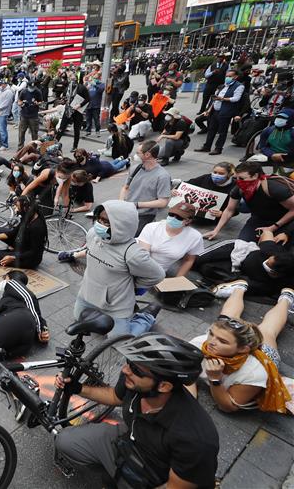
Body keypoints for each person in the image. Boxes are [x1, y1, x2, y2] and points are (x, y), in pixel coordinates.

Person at [54, 333, 219, 489]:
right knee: (66, 440)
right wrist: (77, 388)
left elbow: (173, 487)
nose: (126, 370)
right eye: (129, 362)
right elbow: (114, 396)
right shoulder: (137, 383)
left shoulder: (195, 439)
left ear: (164, 386)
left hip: (159, 473)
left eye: (136, 370)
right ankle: (116, 473)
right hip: (132, 440)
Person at [187, 284, 292, 413]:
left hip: (265, 355)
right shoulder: (200, 342)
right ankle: (239, 288)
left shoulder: (254, 373)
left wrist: (215, 379)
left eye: (222, 341)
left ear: (243, 349)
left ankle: (286, 298)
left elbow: (228, 407)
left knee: (268, 331)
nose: (211, 342)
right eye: (211, 334)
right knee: (225, 319)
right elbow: (184, 372)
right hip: (241, 344)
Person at [73, 201, 165, 336]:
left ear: (122, 225)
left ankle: (147, 316)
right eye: (99, 219)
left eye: (107, 222)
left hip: (116, 305)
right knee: (78, 320)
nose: (99, 225)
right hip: (87, 294)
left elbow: (158, 275)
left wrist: (132, 286)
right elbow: (91, 252)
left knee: (120, 341)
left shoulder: (133, 253)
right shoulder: (93, 234)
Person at [0, 271, 48, 376]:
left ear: (8, 277)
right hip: (22, 341)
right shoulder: (12, 296)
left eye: (3, 277)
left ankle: (3, 379)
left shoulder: (13, 283)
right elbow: (35, 312)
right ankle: (6, 381)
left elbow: (30, 298)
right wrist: (43, 327)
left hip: (21, 319)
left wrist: (40, 327)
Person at [204, 161, 294, 242]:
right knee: (242, 243)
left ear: (255, 176)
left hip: (285, 222)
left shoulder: (275, 189)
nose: (238, 181)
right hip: (259, 218)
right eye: (236, 178)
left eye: (242, 178)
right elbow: (229, 210)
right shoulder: (239, 188)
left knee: (271, 247)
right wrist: (216, 230)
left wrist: (273, 227)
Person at [119, 140, 172, 236]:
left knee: (128, 237)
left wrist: (137, 204)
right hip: (128, 211)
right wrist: (121, 203)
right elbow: (125, 188)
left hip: (144, 215)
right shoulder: (135, 168)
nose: (135, 155)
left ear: (147, 154)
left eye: (138, 153)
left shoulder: (162, 176)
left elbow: (163, 202)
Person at [137, 202, 204, 277]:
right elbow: (143, 256)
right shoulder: (152, 227)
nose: (173, 218)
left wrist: (177, 279)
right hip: (139, 265)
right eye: (171, 214)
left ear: (188, 221)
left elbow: (189, 260)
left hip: (159, 272)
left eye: (179, 217)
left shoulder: (195, 237)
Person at [0, 195, 47, 269]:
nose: (15, 209)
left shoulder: (37, 227)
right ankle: (13, 251)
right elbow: (13, 232)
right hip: (23, 245)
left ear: (26, 208)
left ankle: (13, 252)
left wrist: (13, 257)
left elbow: (34, 252)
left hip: (30, 259)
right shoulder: (28, 216)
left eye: (17, 206)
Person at [195, 68, 244, 155]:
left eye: (230, 76)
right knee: (211, 130)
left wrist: (223, 99)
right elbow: (215, 99)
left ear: (235, 77)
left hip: (225, 112)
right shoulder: (223, 85)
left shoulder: (239, 86)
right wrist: (209, 110)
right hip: (215, 110)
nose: (227, 78)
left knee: (222, 132)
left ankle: (218, 148)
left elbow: (236, 99)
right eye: (226, 76)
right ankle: (207, 146)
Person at [17, 79, 42, 146]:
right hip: (24, 115)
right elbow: (19, 101)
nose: (32, 89)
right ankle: (20, 147)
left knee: (34, 133)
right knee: (21, 132)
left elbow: (41, 101)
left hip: (33, 116)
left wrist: (37, 103)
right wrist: (22, 103)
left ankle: (34, 148)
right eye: (31, 87)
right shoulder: (24, 91)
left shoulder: (37, 92)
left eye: (33, 87)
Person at [0, 79, 14, 149]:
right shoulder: (0, 91)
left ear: (5, 84)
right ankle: (1, 143)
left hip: (4, 113)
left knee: (2, 129)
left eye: (1, 84)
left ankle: (5, 145)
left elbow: (6, 103)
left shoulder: (9, 92)